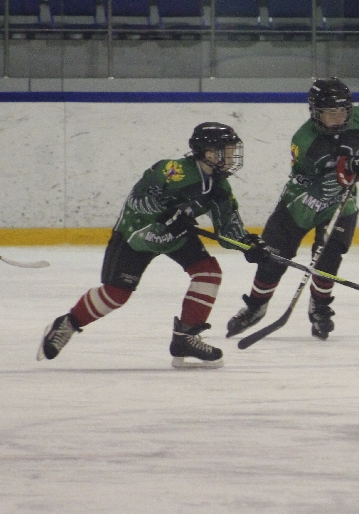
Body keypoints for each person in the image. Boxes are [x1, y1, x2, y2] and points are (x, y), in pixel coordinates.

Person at [37, 123, 269, 369]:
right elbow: (138, 199)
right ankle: (68, 323)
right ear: (209, 152)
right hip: (138, 233)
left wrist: (248, 243)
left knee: (208, 272)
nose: (232, 158)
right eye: (226, 152)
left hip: (176, 236)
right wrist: (166, 213)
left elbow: (228, 229)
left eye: (233, 151)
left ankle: (185, 338)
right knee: (116, 294)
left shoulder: (220, 187)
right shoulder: (173, 170)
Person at [226, 77, 359, 340]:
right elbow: (321, 188)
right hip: (301, 202)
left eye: (342, 111)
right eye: (330, 112)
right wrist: (351, 170)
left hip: (341, 203)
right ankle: (256, 306)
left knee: (328, 259)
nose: (338, 117)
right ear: (316, 113)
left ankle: (319, 306)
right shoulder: (305, 143)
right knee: (273, 258)